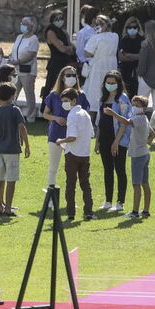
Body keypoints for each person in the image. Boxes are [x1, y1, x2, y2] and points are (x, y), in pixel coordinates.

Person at [104, 96, 155, 219]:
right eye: (133, 105)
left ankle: (135, 212)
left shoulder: (138, 118)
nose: (134, 107)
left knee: (136, 184)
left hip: (138, 156)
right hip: (145, 153)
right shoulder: (144, 119)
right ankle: (146, 211)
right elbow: (153, 134)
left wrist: (113, 113)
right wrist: (145, 142)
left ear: (144, 108)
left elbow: (126, 122)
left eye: (137, 105)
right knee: (145, 183)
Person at [41, 65, 90, 187]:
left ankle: (71, 194)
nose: (71, 78)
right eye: (68, 75)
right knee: (53, 167)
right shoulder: (54, 95)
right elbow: (45, 114)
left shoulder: (81, 95)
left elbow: (86, 114)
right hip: (56, 134)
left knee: (73, 168)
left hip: (74, 136)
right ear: (62, 77)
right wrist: (56, 118)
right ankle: (51, 192)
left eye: (74, 75)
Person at [0, 82, 30, 216]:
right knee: (11, 180)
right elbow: (22, 127)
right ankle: (8, 208)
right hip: (12, 150)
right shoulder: (15, 110)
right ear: (12, 96)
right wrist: (27, 145)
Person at [55, 88, 95, 221]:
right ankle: (88, 211)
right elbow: (91, 134)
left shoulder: (72, 115)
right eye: (63, 101)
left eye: (66, 101)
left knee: (71, 184)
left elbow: (72, 137)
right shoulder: (85, 114)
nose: (64, 104)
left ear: (74, 100)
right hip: (85, 153)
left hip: (72, 154)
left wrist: (61, 141)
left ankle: (71, 213)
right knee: (85, 184)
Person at [95, 71, 131, 212]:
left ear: (118, 84)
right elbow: (99, 121)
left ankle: (120, 202)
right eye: (108, 83)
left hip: (118, 139)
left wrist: (116, 142)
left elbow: (124, 122)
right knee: (107, 169)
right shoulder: (103, 99)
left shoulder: (122, 98)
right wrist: (97, 141)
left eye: (113, 83)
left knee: (120, 169)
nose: (110, 85)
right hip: (104, 138)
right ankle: (108, 200)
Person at [83, 14, 119, 111]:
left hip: (97, 66)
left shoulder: (95, 38)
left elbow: (87, 53)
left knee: (95, 91)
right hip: (111, 65)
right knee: (110, 88)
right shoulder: (115, 36)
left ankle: (93, 112)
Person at [8, 16, 39, 123]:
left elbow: (31, 55)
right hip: (15, 71)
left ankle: (30, 118)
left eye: (25, 24)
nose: (23, 26)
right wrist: (11, 59)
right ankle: (10, 114)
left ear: (31, 26)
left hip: (27, 71)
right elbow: (14, 50)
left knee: (29, 94)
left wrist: (18, 61)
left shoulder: (34, 39)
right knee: (12, 93)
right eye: (22, 23)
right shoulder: (19, 37)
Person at [42, 9, 74, 99]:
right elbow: (61, 49)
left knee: (65, 88)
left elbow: (71, 49)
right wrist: (67, 48)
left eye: (61, 18)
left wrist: (67, 48)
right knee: (51, 87)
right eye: (57, 19)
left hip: (66, 63)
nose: (60, 20)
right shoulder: (50, 32)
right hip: (55, 64)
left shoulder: (63, 32)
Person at [136, 20, 155, 108]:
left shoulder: (145, 45)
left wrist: (139, 73)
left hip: (145, 78)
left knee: (140, 105)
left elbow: (142, 63)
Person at [118, 17, 144, 97]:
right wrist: (136, 56)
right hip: (125, 71)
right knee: (125, 93)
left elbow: (143, 56)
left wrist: (128, 55)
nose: (132, 29)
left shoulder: (142, 40)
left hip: (138, 71)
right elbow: (121, 57)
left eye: (134, 27)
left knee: (137, 93)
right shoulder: (124, 40)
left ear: (138, 28)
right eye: (130, 27)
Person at [74, 5, 99, 83]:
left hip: (98, 64)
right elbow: (79, 50)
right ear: (93, 18)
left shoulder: (99, 31)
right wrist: (85, 63)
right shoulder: (83, 32)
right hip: (87, 65)